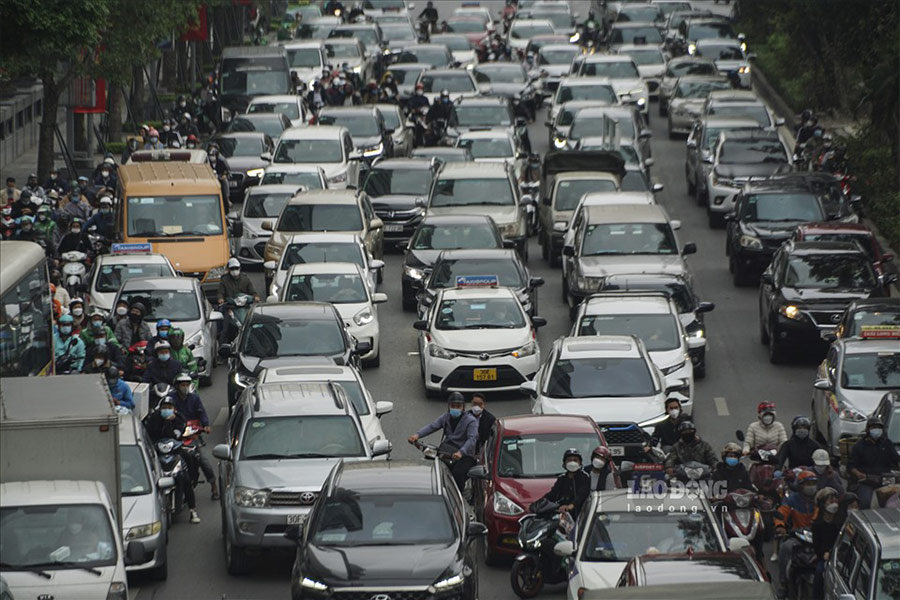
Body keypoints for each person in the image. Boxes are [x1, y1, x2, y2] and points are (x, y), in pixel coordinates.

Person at [143, 397, 200, 523]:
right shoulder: (154, 418)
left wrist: (169, 423)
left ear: (174, 409)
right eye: (164, 408)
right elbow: (149, 434)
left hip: (175, 451)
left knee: (186, 473)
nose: (166, 410)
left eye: (169, 408)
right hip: (157, 451)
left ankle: (193, 510)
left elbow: (175, 435)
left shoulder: (179, 419)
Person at [408, 392, 479, 491]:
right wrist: (417, 435)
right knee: (432, 467)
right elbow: (432, 426)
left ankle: (459, 495)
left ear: (463, 407)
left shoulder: (471, 421)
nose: (455, 408)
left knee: (457, 474)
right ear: (449, 406)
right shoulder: (445, 417)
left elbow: (472, 440)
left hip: (464, 455)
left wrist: (461, 452)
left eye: (458, 406)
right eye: (453, 406)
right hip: (446, 451)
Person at [171, 372, 218, 500]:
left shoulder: (194, 398)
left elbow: (201, 412)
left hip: (192, 435)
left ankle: (213, 485)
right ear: (177, 386)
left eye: (187, 384)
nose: (185, 387)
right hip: (176, 435)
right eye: (182, 385)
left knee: (203, 461)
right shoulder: (171, 399)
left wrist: (206, 425)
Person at [775, 470, 818, 596]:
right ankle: (783, 583)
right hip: (797, 536)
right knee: (785, 548)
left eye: (813, 483)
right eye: (808, 484)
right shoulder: (792, 499)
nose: (811, 487)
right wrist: (780, 526)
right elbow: (782, 512)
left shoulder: (819, 499)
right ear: (800, 486)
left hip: (816, 536)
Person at [848, 417, 900, 508]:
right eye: (873, 427)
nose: (876, 430)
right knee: (865, 503)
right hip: (867, 482)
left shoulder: (887, 443)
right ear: (868, 430)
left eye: (878, 427)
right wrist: (859, 474)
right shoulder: (859, 446)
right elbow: (851, 466)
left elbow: (896, 459)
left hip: (886, 481)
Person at [539, 448, 590, 519]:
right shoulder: (562, 478)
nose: (572, 462)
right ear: (564, 463)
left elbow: (582, 494)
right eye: (569, 460)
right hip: (563, 514)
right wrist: (540, 503)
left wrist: (571, 505)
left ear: (580, 463)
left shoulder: (585, 477)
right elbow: (553, 494)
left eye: (575, 460)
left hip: (581, 514)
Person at [811, 487, 841, 599]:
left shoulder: (839, 522)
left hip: (839, 555)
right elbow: (817, 546)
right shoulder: (817, 524)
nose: (833, 502)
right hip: (824, 557)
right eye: (830, 500)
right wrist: (824, 553)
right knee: (819, 572)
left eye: (834, 499)